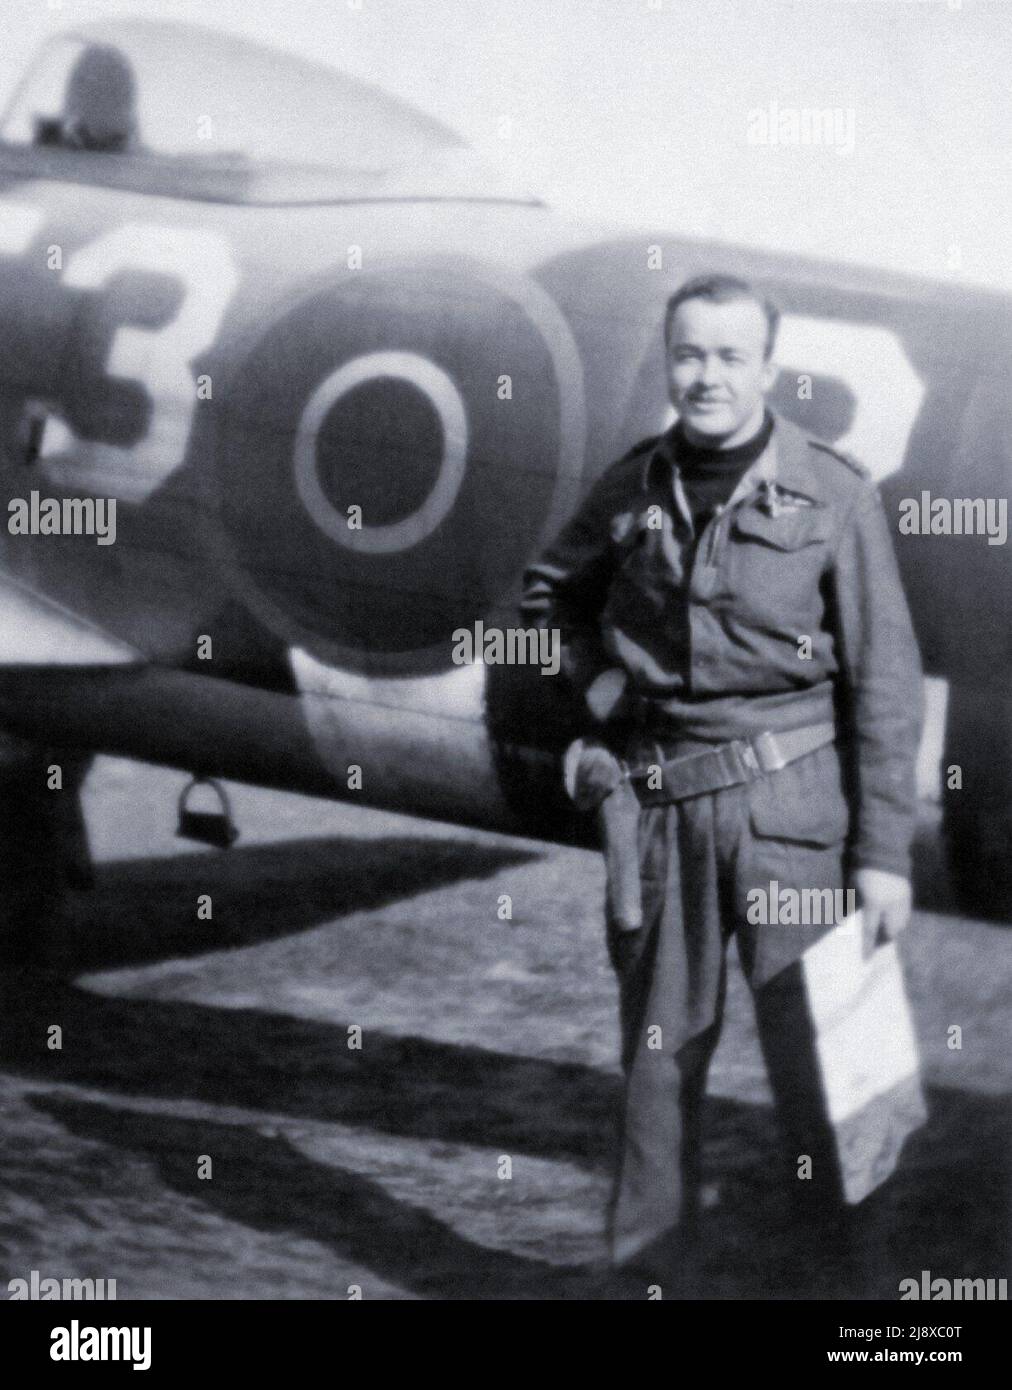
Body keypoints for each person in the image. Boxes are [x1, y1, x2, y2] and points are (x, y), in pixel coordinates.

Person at [521, 273, 924, 1284]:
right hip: (660, 819)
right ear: (670, 361)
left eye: (728, 356)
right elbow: (548, 595)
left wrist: (881, 855)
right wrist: (605, 688)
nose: (706, 376)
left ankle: (855, 1302)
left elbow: (883, 680)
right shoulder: (630, 487)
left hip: (796, 818)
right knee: (657, 1075)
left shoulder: (832, 492)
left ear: (766, 366)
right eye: (689, 355)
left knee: (832, 1079)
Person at [34, 45, 141, 155]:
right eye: (94, 91)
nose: (100, 102)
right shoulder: (42, 157)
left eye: (111, 90)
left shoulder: (146, 167)